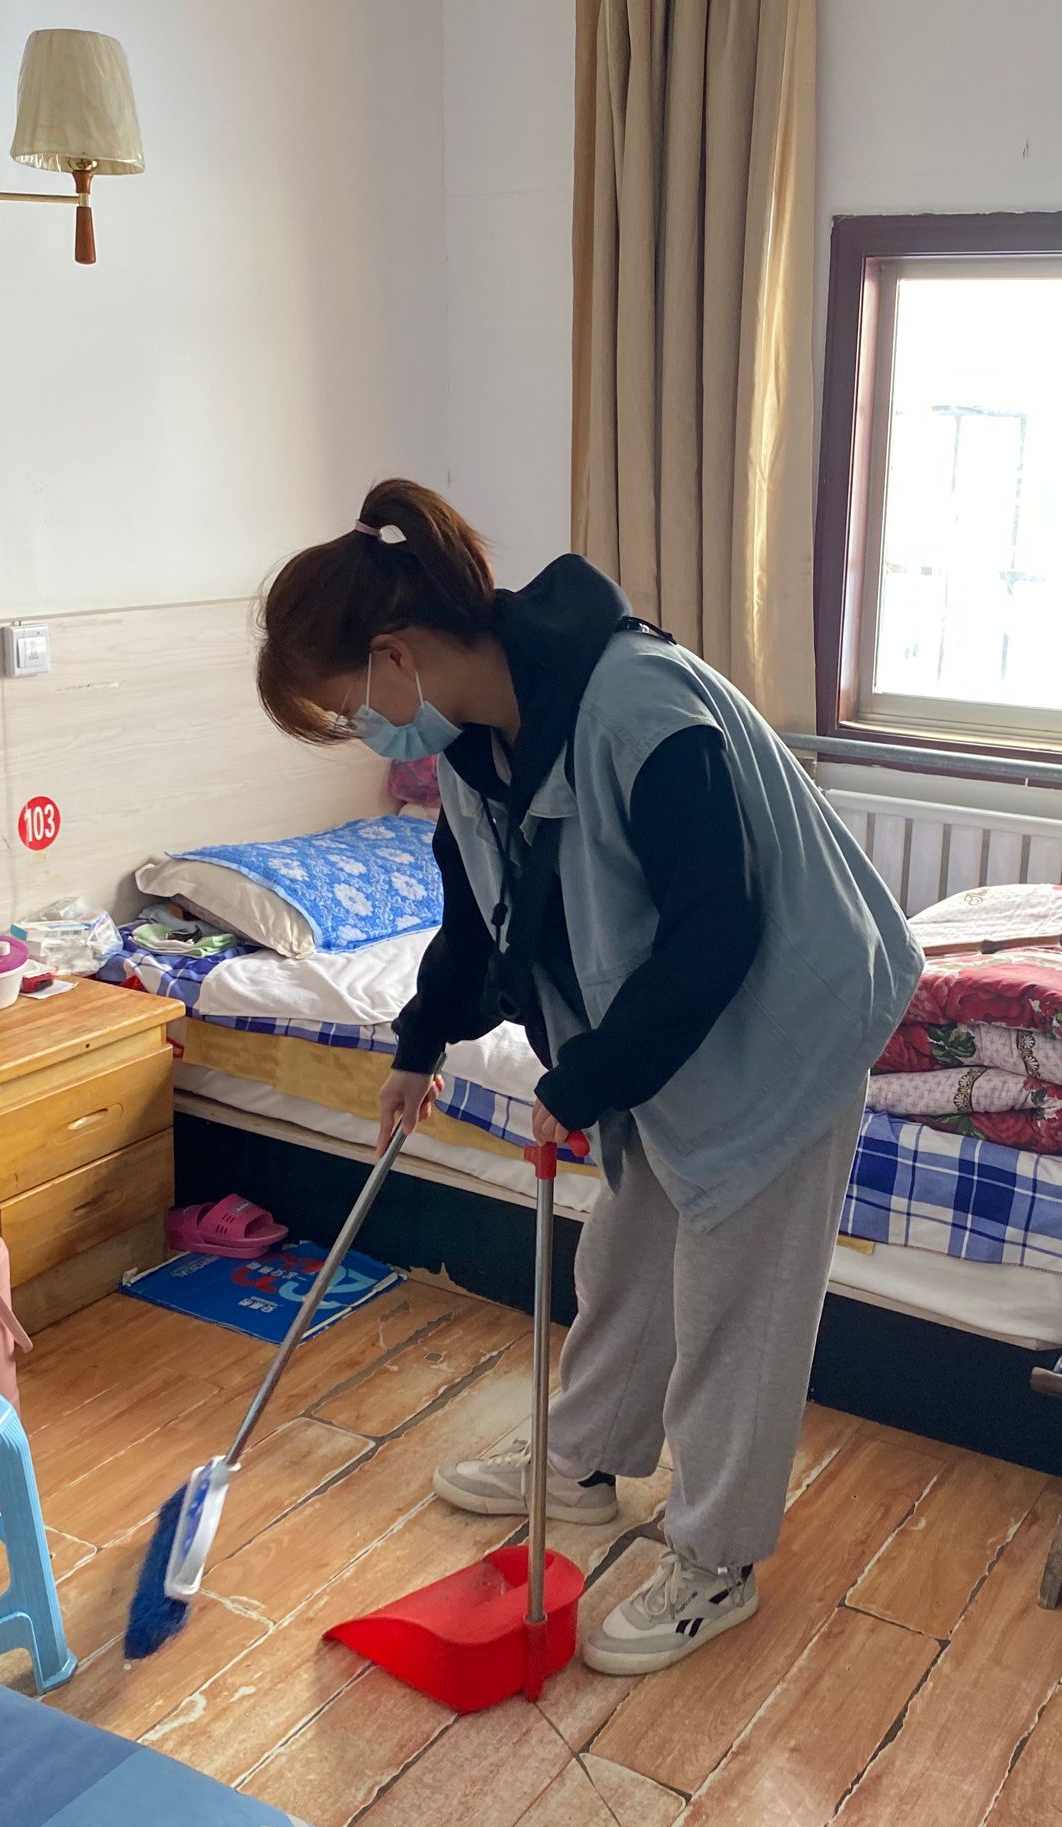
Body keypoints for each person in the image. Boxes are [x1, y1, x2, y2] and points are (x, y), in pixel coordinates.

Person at [255, 480, 920, 1675]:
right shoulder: (472, 744)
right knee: (629, 1251)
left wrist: (587, 1078)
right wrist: (420, 1045)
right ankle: (583, 1463)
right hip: (662, 1024)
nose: (364, 732)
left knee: (736, 1306)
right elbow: (483, 919)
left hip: (783, 1016)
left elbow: (719, 929)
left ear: (396, 656)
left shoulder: (641, 708)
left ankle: (716, 1561)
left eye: (349, 708)